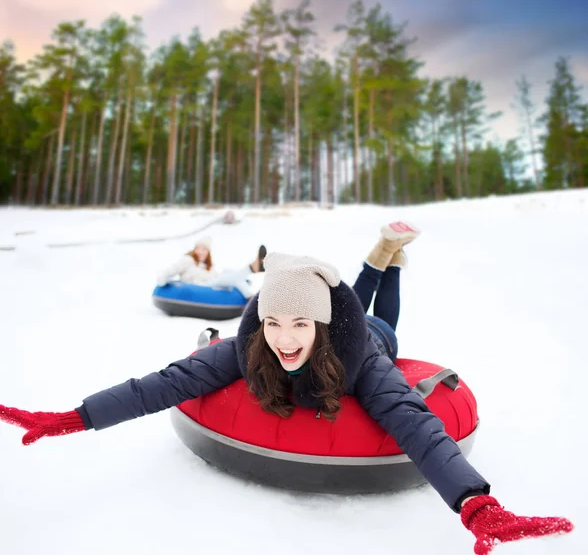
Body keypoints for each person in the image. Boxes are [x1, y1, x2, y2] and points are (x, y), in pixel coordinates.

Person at [0, 223, 573, 555]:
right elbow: (169, 382)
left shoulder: (364, 366)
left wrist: (475, 502)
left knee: (387, 321)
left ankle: (389, 259)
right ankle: (383, 253)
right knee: (332, 314)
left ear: (320, 327)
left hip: (368, 337)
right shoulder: (250, 346)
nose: (284, 339)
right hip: (334, 314)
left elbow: (417, 424)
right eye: (274, 324)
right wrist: (74, 418)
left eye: (299, 325)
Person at [156, 236, 266, 299]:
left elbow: (216, 277)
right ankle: (252, 268)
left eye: (204, 250)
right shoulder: (187, 260)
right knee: (226, 278)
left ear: (208, 252)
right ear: (194, 249)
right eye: (198, 249)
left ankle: (251, 297)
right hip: (198, 288)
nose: (201, 252)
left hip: (210, 286)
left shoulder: (208, 266)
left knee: (229, 273)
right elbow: (171, 270)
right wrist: (162, 280)